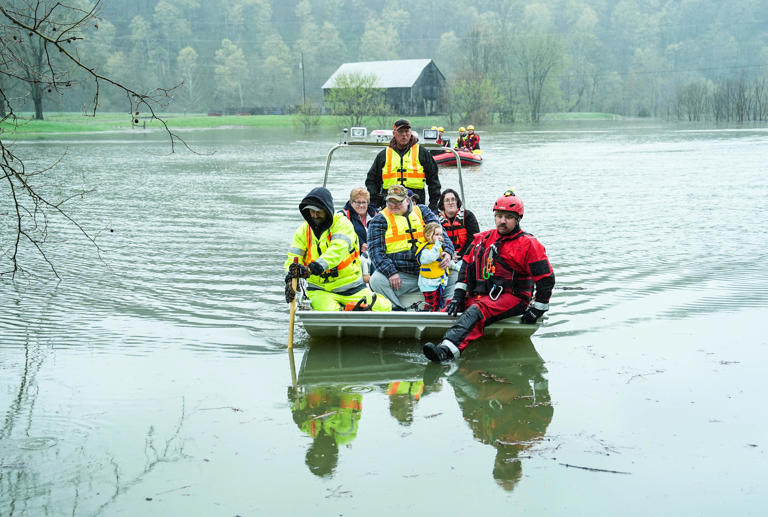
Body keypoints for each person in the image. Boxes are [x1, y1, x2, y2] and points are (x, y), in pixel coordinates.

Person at [423, 189, 555, 362]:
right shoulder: (483, 238)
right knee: (449, 308)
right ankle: (431, 340)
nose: (502, 221)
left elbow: (546, 280)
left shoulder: (529, 244)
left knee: (478, 310)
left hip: (513, 297)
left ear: (517, 219)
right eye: (499, 216)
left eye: (508, 217)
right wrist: (458, 296)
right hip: (483, 294)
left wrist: (537, 309)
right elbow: (466, 268)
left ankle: (446, 352)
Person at [285, 186, 392, 312]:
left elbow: (337, 251)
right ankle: (345, 311)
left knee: (384, 308)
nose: (314, 215)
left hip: (351, 287)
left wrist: (311, 269)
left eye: (318, 211)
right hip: (320, 289)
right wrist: (290, 278)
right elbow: (293, 258)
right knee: (330, 312)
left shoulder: (343, 224)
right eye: (311, 211)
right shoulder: (303, 230)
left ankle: (354, 309)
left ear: (327, 210)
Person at [368, 184, 456, 310]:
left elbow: (443, 234)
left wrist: (448, 252)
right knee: (376, 280)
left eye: (398, 202)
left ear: (408, 200)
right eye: (390, 202)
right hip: (403, 274)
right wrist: (391, 272)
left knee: (455, 274)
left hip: (431, 269)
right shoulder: (379, 220)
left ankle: (447, 307)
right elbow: (375, 253)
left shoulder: (423, 211)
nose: (393, 205)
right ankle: (396, 309)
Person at [365, 118, 441, 211]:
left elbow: (434, 181)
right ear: (394, 134)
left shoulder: (422, 153)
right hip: (390, 204)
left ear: (411, 132)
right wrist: (375, 202)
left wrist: (433, 205)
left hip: (415, 204)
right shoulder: (383, 155)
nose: (404, 135)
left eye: (407, 131)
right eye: (400, 131)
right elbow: (371, 180)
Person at [339, 187, 378, 283]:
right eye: (357, 202)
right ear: (351, 202)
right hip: (352, 255)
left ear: (368, 203)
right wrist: (360, 244)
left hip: (373, 252)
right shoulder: (342, 216)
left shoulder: (376, 215)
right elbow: (342, 235)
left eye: (364, 202)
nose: (361, 205)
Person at [415, 222, 450, 311]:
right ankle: (426, 318)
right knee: (431, 305)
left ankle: (436, 317)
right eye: (436, 234)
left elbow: (442, 260)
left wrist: (455, 266)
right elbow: (429, 258)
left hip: (438, 282)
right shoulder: (426, 249)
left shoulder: (437, 247)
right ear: (427, 235)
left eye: (441, 235)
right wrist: (437, 246)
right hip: (428, 284)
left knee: (438, 303)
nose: (440, 237)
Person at [437, 188, 480, 260]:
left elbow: (474, 239)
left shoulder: (468, 216)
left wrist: (460, 255)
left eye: (453, 199)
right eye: (447, 200)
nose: (451, 202)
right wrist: (449, 254)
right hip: (445, 256)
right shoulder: (437, 220)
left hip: (465, 256)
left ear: (457, 202)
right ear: (442, 204)